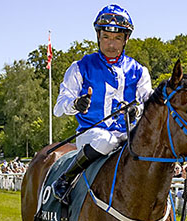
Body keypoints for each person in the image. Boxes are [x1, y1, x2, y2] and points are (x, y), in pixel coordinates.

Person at [51, 4, 152, 204]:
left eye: (117, 38)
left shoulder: (139, 71)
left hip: (128, 135)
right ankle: (66, 179)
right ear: (98, 37)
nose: (111, 44)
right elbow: (58, 108)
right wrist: (76, 104)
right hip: (91, 134)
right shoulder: (80, 67)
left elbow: (149, 105)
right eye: (106, 37)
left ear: (126, 39)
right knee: (105, 141)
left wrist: (137, 110)